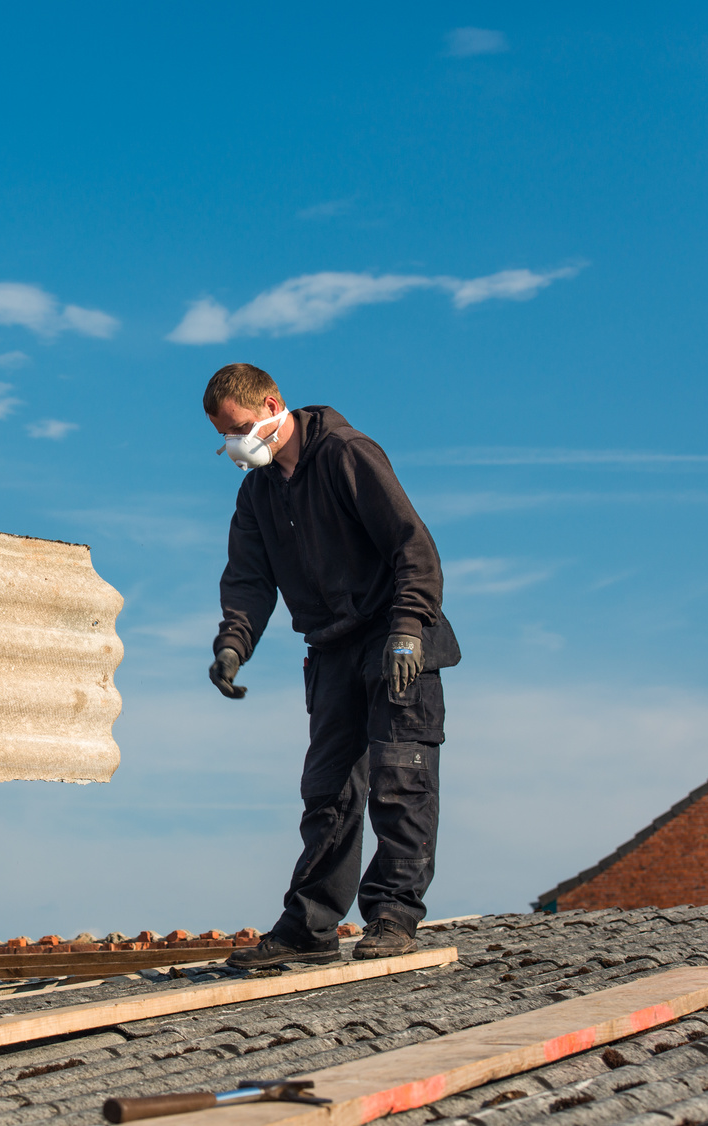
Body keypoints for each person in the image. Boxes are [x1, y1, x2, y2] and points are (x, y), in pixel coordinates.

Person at [202, 363, 460, 968]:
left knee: (401, 776)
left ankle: (393, 915)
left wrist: (407, 629)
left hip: (395, 635)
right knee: (328, 792)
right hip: (332, 649)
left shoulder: (348, 455)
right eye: (226, 436)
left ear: (272, 405)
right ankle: (310, 927)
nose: (237, 444)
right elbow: (248, 580)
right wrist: (232, 644)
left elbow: (412, 546)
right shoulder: (258, 494)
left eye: (241, 427)